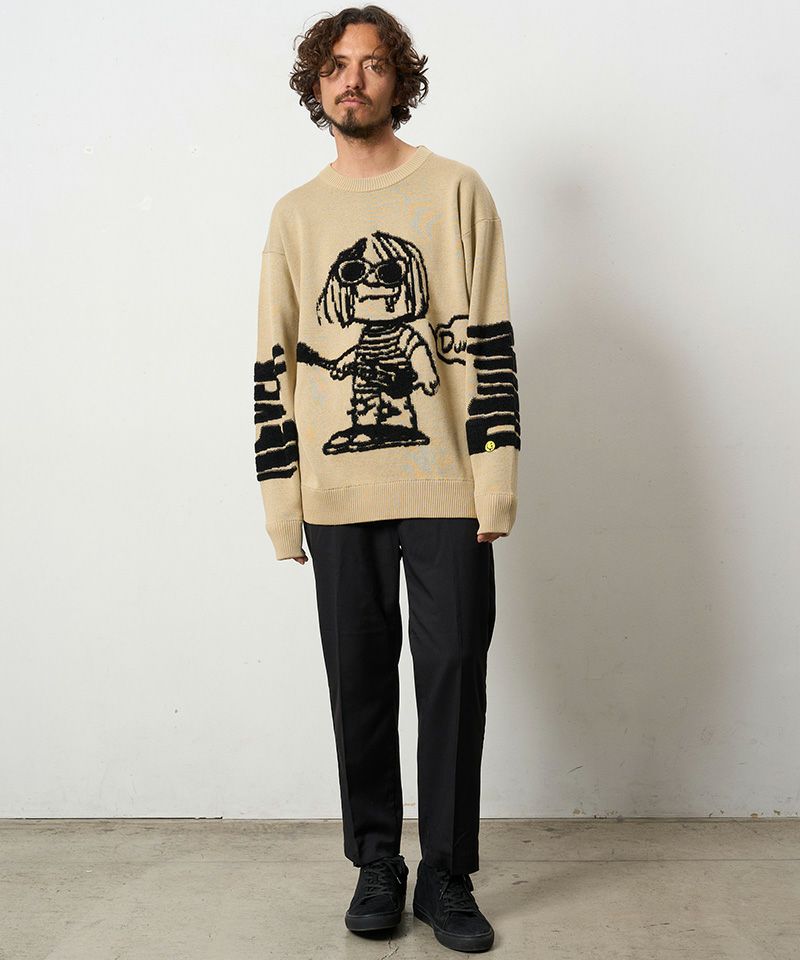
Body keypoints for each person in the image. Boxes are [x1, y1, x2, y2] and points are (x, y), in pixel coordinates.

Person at [254, 5, 521, 953]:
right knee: (358, 679)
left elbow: (489, 342)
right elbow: (273, 362)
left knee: (453, 675)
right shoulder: (295, 216)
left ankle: (446, 873)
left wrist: (496, 482)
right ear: (315, 84)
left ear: (399, 80)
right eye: (336, 65)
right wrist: (282, 504)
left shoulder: (456, 191)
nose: (352, 80)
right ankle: (377, 860)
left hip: (448, 485)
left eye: (372, 64)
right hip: (336, 496)